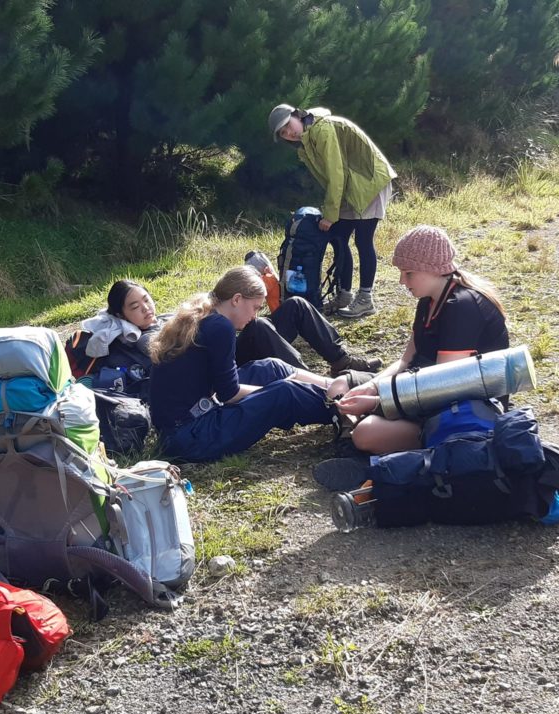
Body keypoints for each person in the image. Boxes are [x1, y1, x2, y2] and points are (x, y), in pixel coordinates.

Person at [323, 225, 509, 457]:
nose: (402, 281)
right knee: (339, 386)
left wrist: (377, 403)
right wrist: (370, 387)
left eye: (408, 273)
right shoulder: (427, 301)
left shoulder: (462, 306)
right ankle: (362, 435)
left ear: (432, 269)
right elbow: (405, 361)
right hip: (415, 386)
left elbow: (444, 385)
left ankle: (379, 440)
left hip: (455, 407)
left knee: (366, 434)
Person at [148, 267, 342, 463]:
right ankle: (346, 410)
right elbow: (229, 394)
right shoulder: (220, 327)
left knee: (270, 367)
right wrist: (270, 390)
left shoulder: (207, 314)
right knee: (284, 392)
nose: (255, 316)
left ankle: (337, 386)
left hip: (184, 426)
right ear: (237, 299)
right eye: (255, 307)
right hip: (192, 436)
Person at [82, 278, 379, 387]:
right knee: (260, 326)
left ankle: (340, 360)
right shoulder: (140, 338)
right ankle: (316, 385)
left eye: (146, 299)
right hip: (223, 362)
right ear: (122, 315)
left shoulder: (160, 318)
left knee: (297, 306)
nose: (145, 308)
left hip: (229, 342)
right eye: (135, 307)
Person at [268, 103, 396, 318]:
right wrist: (332, 209)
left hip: (369, 183)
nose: (288, 133)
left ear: (297, 115)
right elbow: (333, 178)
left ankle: (365, 299)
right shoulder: (307, 142)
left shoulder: (322, 129)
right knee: (338, 238)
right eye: (283, 133)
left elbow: (337, 174)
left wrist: (330, 213)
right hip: (349, 186)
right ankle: (343, 294)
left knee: (363, 241)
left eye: (287, 126)